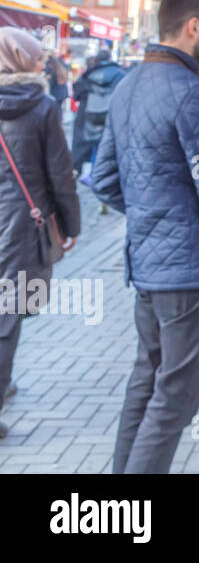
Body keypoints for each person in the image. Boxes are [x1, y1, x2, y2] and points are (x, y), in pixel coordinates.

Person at [93, 0, 199, 474]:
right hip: (188, 274)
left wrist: (153, 214)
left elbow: (103, 180)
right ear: (193, 28)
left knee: (146, 385)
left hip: (146, 267)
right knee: (174, 402)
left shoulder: (128, 86)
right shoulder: (195, 93)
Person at [0, 28, 80, 441]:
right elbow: (59, 175)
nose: (43, 65)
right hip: (20, 226)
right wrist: (69, 225)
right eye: (36, 59)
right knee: (7, 316)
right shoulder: (43, 106)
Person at [70, 50, 126, 176]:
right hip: (112, 115)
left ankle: (91, 174)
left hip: (89, 115)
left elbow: (77, 93)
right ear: (110, 58)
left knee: (93, 145)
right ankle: (102, 175)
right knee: (108, 147)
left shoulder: (89, 73)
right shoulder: (120, 74)